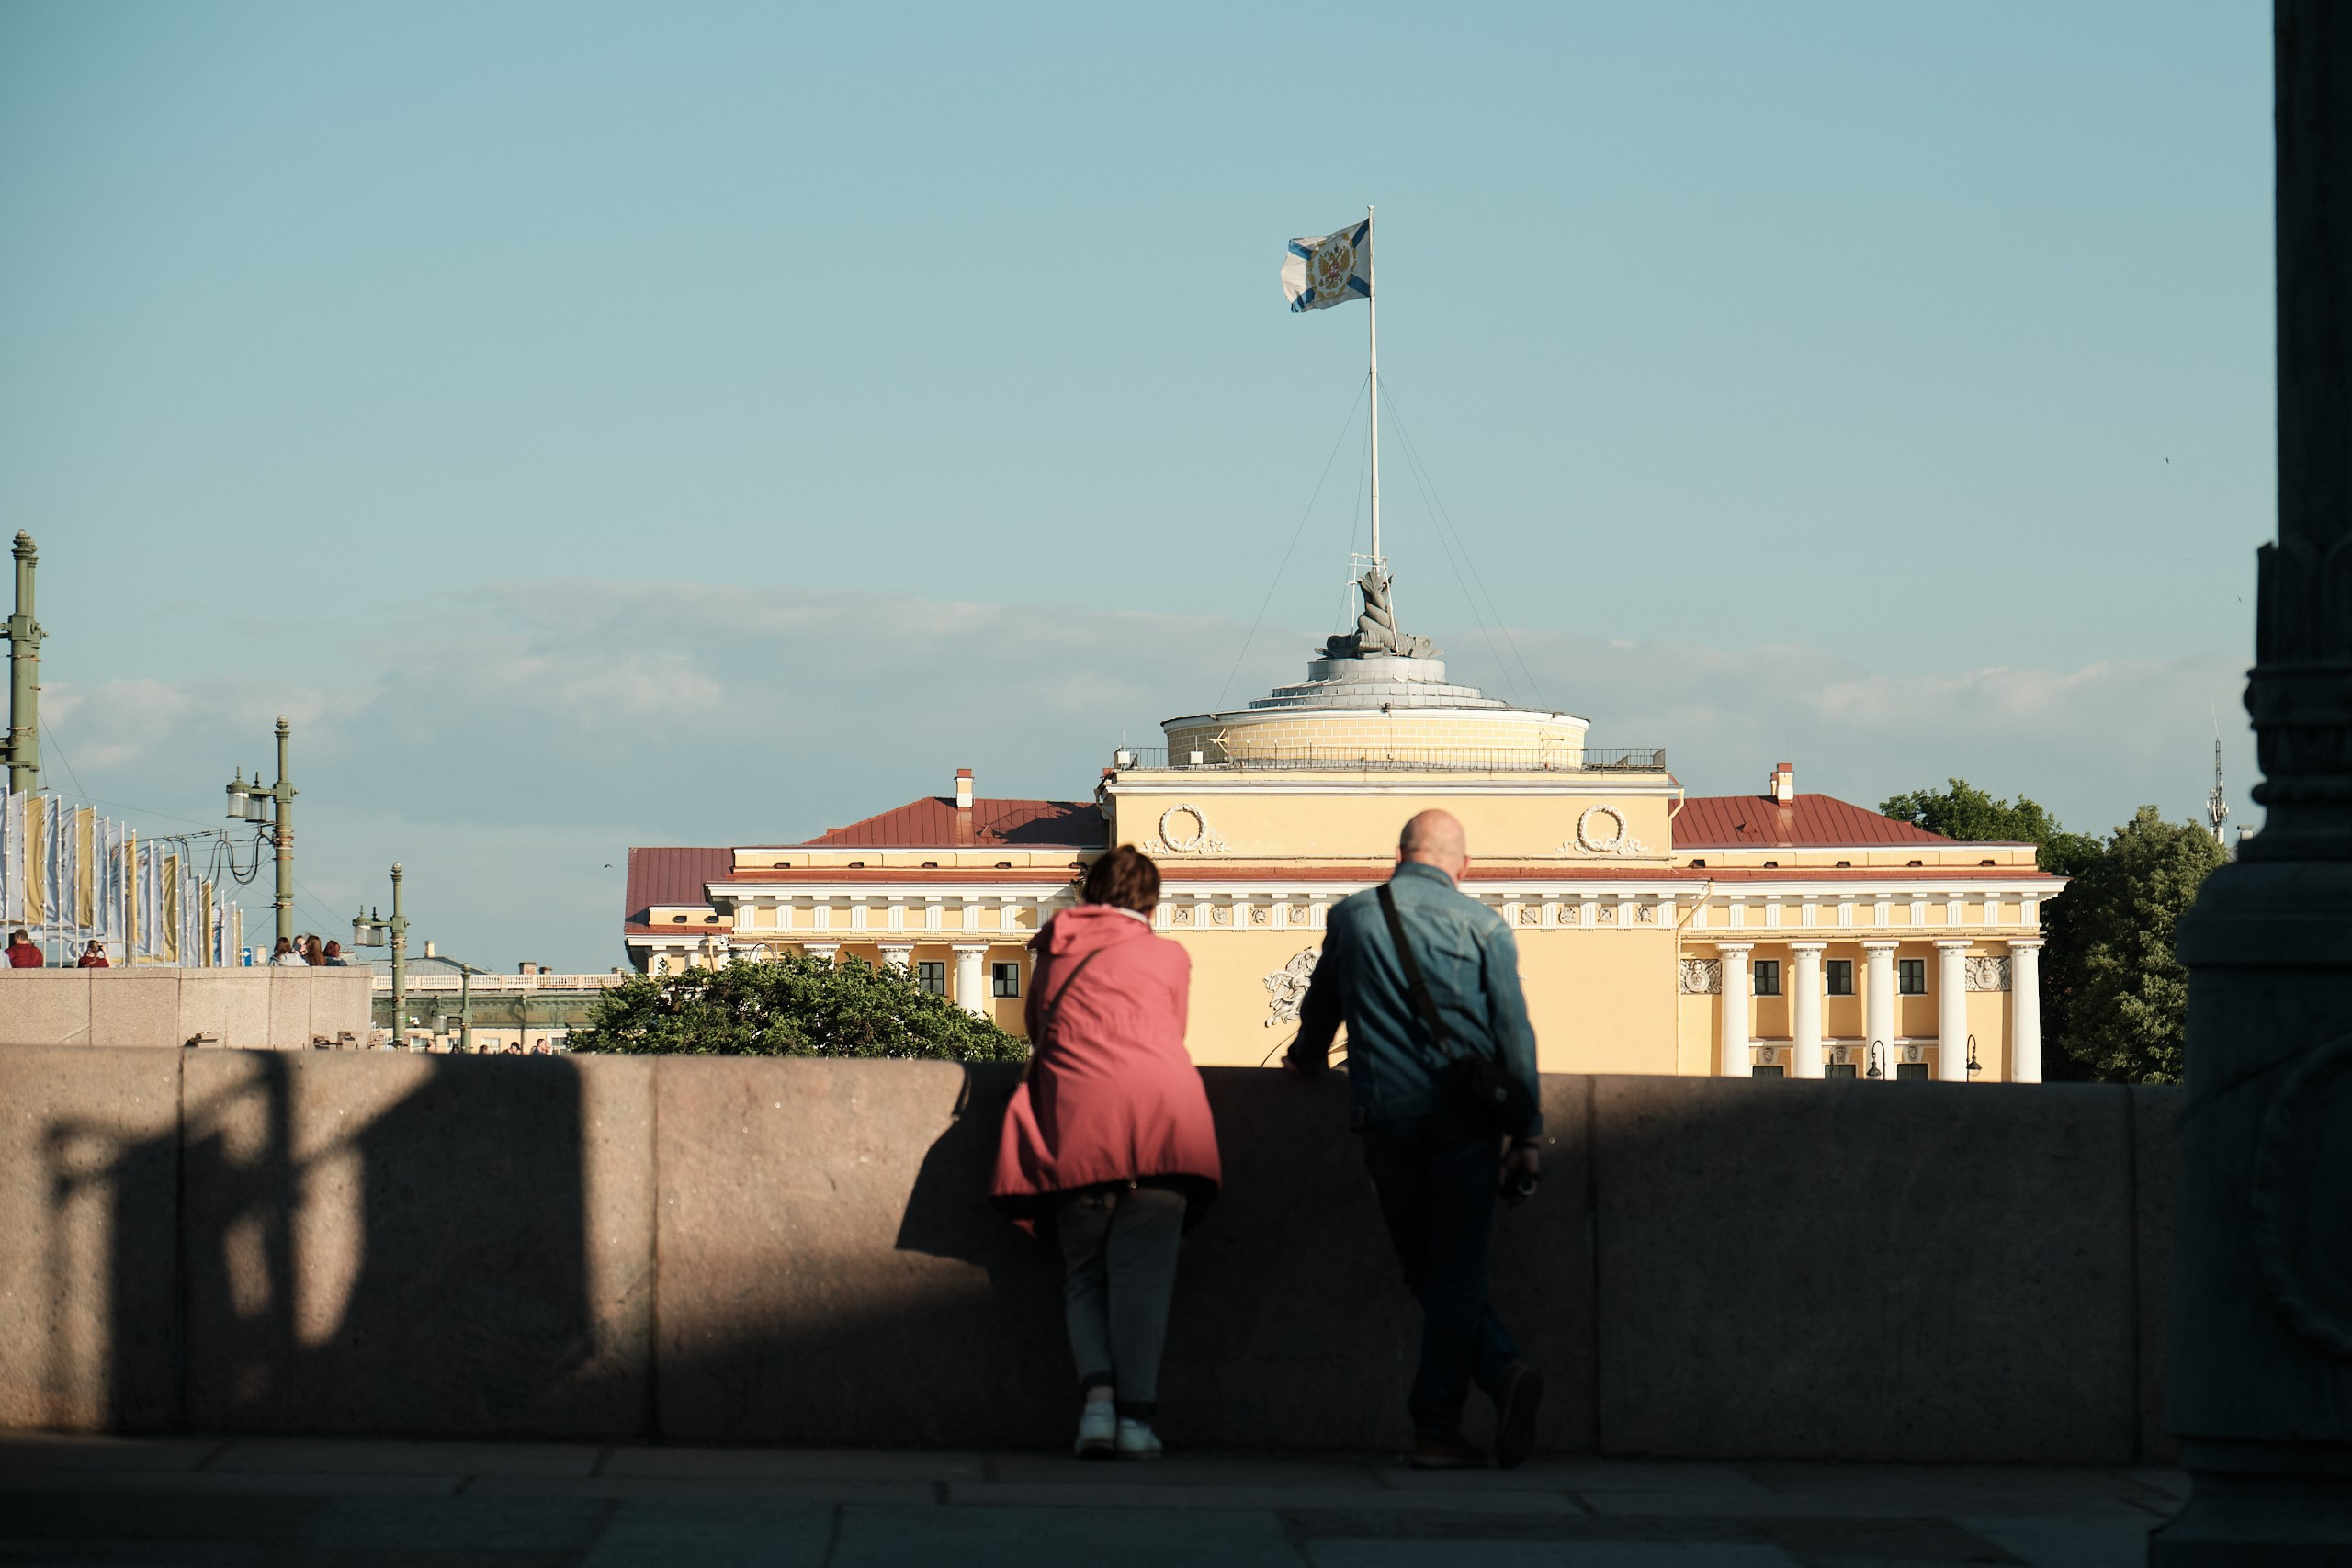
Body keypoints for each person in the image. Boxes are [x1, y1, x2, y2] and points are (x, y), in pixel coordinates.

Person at [1286, 808, 1546, 1471]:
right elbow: (1514, 1032)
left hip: (1385, 1113)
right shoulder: (1485, 924)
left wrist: (1308, 1058)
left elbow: (1322, 1005)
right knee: (1455, 1267)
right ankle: (1454, 1411)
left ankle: (1486, 1384)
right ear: (1463, 865)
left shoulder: (1354, 916)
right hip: (1466, 1118)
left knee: (1424, 1267)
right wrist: (1528, 1133)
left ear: (1399, 855)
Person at [992, 844, 1221, 1461]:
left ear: (1091, 890)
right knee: (1141, 1281)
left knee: (1084, 1276)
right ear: (1149, 898)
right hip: (1164, 1128)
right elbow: (1170, 1030)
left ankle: (1096, 1407)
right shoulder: (1169, 955)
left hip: (1076, 1127)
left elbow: (1037, 1030)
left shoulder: (1054, 951)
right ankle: (1137, 1420)